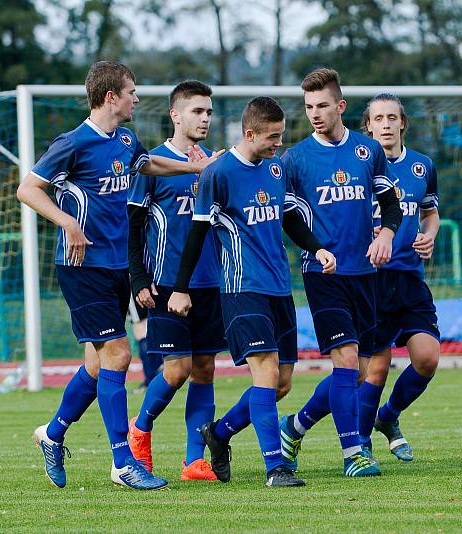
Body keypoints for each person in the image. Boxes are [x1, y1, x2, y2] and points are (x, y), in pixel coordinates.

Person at [19, 61, 221, 490]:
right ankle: (121, 461)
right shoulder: (73, 143)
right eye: (131, 92)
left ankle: (52, 435)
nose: (136, 98)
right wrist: (67, 223)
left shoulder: (126, 139)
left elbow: (148, 166)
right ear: (111, 97)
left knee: (96, 364)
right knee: (119, 356)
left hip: (113, 266)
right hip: (82, 264)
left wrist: (194, 168)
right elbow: (28, 188)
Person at [168, 96, 336, 487]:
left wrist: (317, 247)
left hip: (279, 288)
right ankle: (275, 468)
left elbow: (290, 217)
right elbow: (196, 233)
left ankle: (220, 433)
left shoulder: (277, 169)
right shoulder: (219, 174)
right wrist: (180, 289)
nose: (279, 144)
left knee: (281, 383)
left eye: (281, 136)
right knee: (266, 372)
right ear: (250, 133)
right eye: (273, 137)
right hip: (242, 289)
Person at [278, 68, 402, 478]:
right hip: (323, 273)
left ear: (341, 107)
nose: (315, 113)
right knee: (346, 361)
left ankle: (294, 427)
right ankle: (354, 453)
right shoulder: (294, 159)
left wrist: (386, 233)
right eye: (309, 107)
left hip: (365, 273)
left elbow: (391, 204)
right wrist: (317, 249)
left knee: (361, 370)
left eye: (322, 106)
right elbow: (290, 219)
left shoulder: (368, 151)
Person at [125, 80, 223, 481]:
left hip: (211, 282)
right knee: (176, 369)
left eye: (209, 112)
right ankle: (140, 430)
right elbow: (132, 226)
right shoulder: (152, 164)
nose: (204, 118)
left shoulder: (216, 166)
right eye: (197, 111)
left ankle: (193, 460)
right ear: (175, 114)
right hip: (165, 283)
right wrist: (138, 280)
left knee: (204, 368)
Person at [358, 93, 441, 463]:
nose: (386, 124)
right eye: (379, 118)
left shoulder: (422, 166)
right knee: (375, 365)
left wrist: (429, 235)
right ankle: (359, 445)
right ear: (368, 125)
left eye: (393, 117)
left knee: (427, 359)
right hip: (371, 280)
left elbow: (430, 213)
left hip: (409, 278)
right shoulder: (357, 166)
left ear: (403, 123)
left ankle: (388, 417)